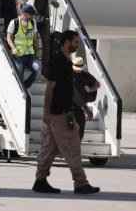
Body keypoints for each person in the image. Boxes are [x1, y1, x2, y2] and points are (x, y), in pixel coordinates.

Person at [33, 30, 100, 195]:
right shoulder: (59, 61)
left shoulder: (65, 61)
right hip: (59, 113)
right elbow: (50, 87)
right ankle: (80, 183)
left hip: (59, 112)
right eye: (75, 42)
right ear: (66, 42)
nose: (77, 45)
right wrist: (46, 112)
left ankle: (40, 181)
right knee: (73, 147)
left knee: (48, 149)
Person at [19, 0, 59, 64]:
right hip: (32, 20)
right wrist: (25, 12)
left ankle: (45, 66)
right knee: (32, 42)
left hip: (44, 20)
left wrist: (55, 3)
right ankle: (31, 62)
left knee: (46, 43)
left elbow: (53, 0)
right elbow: (21, 0)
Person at [6, 5, 41, 88]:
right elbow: (8, 38)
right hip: (18, 55)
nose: (32, 16)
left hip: (30, 55)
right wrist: (13, 48)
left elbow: (35, 38)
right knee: (20, 72)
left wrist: (37, 51)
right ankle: (20, 89)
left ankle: (25, 87)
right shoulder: (14, 23)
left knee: (36, 70)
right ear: (25, 14)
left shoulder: (33, 22)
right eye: (31, 14)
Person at [71, 56, 100, 140]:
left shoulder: (85, 75)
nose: (78, 71)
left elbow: (97, 84)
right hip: (67, 107)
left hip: (78, 106)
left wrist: (90, 89)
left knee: (81, 126)